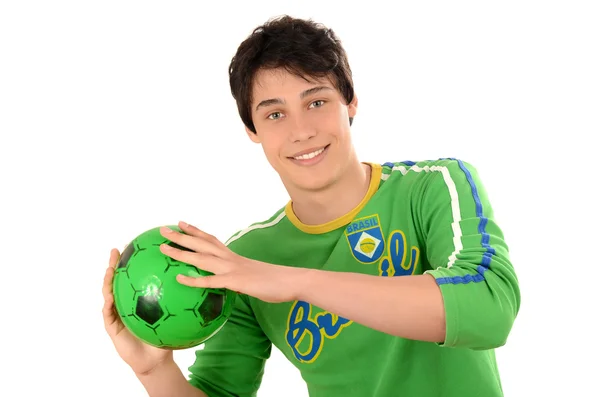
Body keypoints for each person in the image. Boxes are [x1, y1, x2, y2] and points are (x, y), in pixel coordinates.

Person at [102, 14, 520, 397]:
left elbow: (489, 307)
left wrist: (299, 282)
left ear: (350, 101)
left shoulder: (433, 186)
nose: (301, 130)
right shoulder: (247, 259)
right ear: (251, 129)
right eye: (275, 114)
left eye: (316, 102)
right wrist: (155, 372)